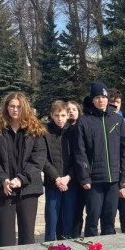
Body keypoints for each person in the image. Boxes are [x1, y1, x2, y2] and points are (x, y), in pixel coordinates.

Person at [0, 92, 47, 247]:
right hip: (4, 189)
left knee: (27, 235)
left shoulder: (35, 131)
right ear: (6, 107)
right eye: (12, 106)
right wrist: (2, 179)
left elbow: (38, 159)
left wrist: (21, 178)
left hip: (28, 189)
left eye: (19, 107)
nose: (15, 110)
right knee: (4, 237)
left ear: (25, 108)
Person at [74, 82, 125, 236]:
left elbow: (124, 149)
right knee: (93, 216)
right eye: (97, 97)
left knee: (110, 217)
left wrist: (124, 175)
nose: (101, 100)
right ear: (92, 100)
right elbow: (80, 151)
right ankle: (92, 247)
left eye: (103, 97)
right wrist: (84, 177)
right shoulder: (84, 121)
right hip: (94, 180)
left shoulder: (116, 119)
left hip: (113, 179)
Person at [43, 101, 77, 241]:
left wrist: (68, 177)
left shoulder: (73, 131)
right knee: (52, 219)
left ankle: (66, 246)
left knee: (68, 219)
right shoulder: (44, 132)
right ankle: (50, 245)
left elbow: (78, 158)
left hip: (70, 182)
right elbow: (42, 158)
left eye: (63, 115)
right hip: (53, 183)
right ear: (51, 115)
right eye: (57, 115)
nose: (60, 119)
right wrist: (57, 178)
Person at [65, 100, 84, 237]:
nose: (71, 111)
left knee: (78, 209)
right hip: (65, 175)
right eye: (68, 109)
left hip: (80, 176)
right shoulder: (62, 129)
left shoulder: (82, 128)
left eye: (74, 109)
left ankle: (76, 234)